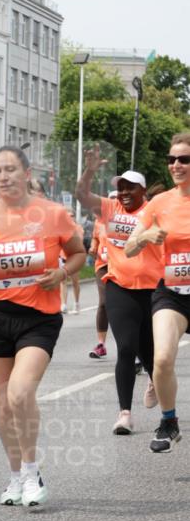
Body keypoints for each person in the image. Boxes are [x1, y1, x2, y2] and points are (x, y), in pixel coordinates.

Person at [0, 146, 85, 508]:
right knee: (2, 406)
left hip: (38, 319)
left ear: (27, 174)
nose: (3, 177)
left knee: (19, 392)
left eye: (10, 170)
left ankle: (32, 472)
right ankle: (15, 476)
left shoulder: (52, 214)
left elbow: (78, 253)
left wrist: (61, 272)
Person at [76, 147, 162, 434]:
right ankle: (125, 413)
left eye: (130, 188)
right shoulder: (110, 209)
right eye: (120, 188)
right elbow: (81, 196)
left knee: (152, 353)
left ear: (142, 191)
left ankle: (156, 382)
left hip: (153, 291)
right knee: (125, 347)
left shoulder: (153, 212)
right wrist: (89, 170)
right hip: (119, 287)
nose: (123, 192)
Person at [125, 132, 190, 452]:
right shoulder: (159, 204)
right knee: (162, 358)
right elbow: (128, 249)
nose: (176, 165)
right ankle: (169, 420)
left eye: (184, 159)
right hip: (173, 292)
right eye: (171, 159)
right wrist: (146, 235)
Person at [88, 207, 110, 359]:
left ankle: (134, 347)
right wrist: (93, 246)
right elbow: (96, 238)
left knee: (125, 307)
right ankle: (101, 344)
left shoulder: (132, 219)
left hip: (124, 266)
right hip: (103, 265)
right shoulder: (99, 222)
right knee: (104, 303)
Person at [59, 211, 82, 315]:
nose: (70, 217)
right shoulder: (60, 228)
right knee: (63, 281)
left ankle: (76, 303)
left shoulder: (78, 228)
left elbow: (78, 241)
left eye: (72, 215)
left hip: (73, 259)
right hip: (62, 257)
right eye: (67, 216)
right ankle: (63, 304)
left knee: (75, 282)